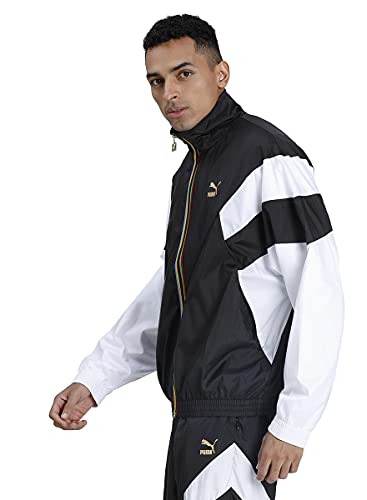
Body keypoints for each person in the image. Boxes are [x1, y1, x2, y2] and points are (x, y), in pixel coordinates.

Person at [49, 14, 345, 500]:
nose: (169, 93)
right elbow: (177, 290)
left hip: (237, 422)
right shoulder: (190, 173)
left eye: (184, 74)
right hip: (190, 419)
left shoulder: (269, 160)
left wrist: (294, 422)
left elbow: (320, 293)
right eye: (156, 81)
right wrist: (96, 378)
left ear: (220, 73)